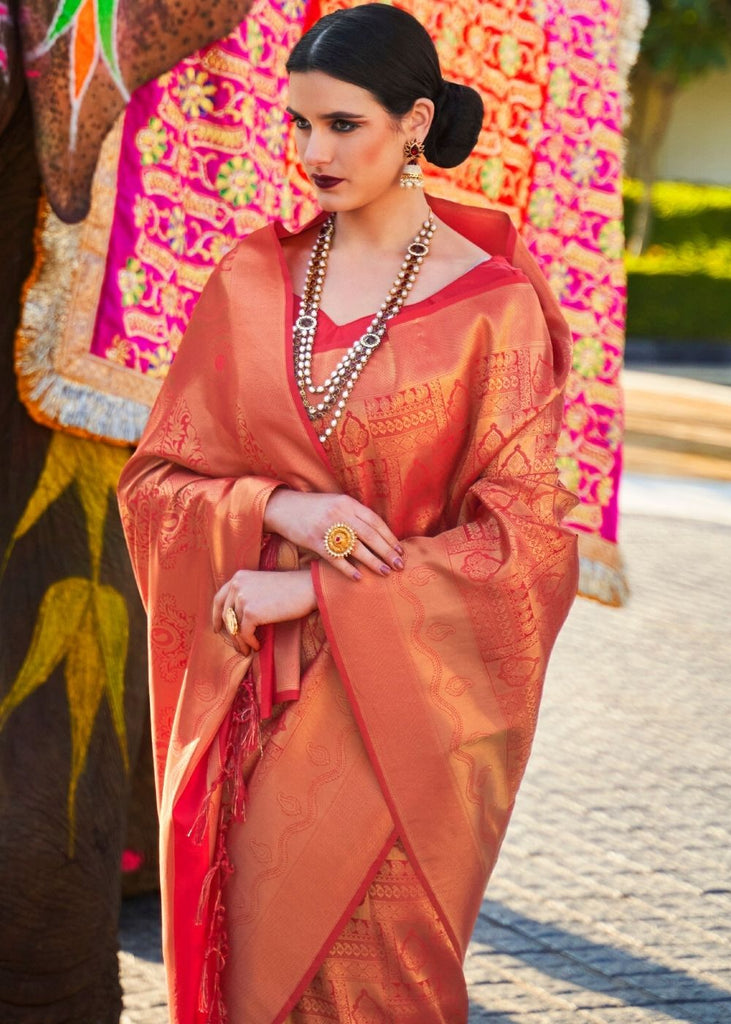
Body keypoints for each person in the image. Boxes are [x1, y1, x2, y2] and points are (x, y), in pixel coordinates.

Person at [117, 4, 579, 1022]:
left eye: (341, 125)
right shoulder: (249, 279)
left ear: (413, 122)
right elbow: (154, 487)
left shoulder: (492, 309)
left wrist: (312, 591)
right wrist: (285, 506)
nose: (311, 152)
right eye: (298, 125)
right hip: (252, 723)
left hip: (399, 732)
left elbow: (529, 550)